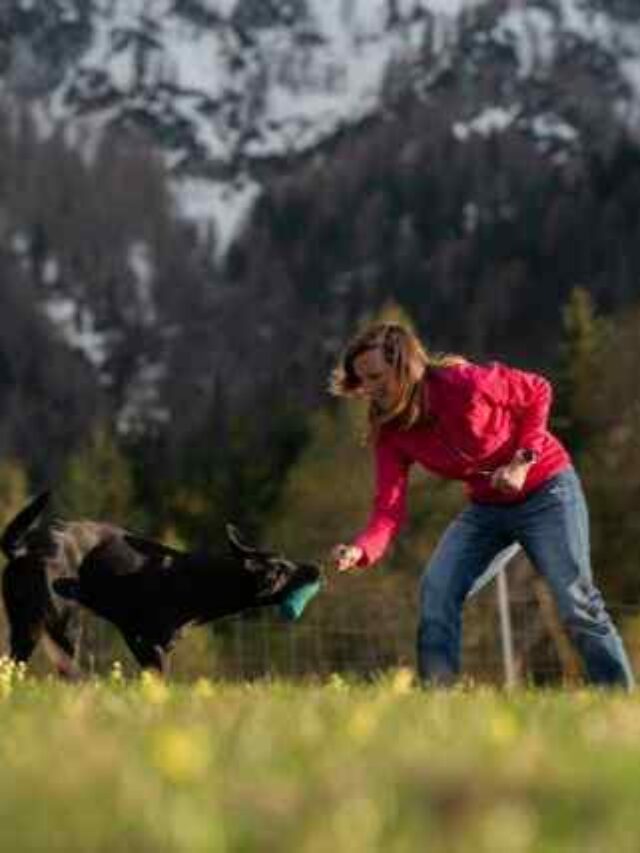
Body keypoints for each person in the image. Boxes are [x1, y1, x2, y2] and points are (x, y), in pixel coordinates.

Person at [330, 321, 634, 689]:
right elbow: (388, 510)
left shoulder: (466, 384)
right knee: (437, 590)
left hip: (548, 491)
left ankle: (618, 694)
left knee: (574, 600)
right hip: (488, 509)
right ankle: (439, 699)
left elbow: (538, 390)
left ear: (404, 365)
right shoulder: (391, 433)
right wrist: (360, 550)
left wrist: (522, 462)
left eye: (377, 376)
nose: (370, 389)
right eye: (363, 381)